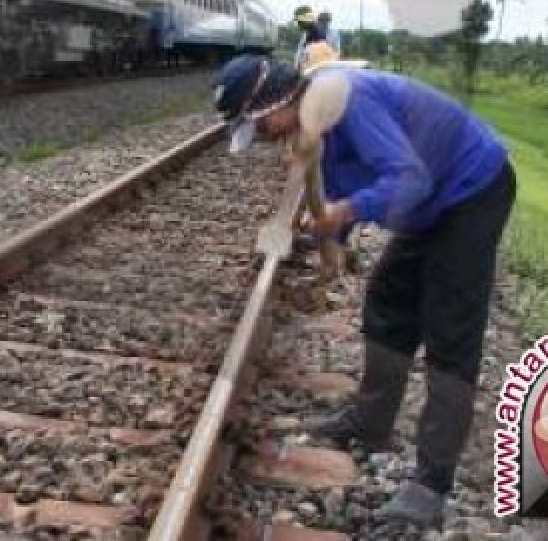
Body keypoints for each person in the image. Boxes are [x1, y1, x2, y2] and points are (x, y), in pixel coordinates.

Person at [211, 55, 516, 531]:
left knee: (449, 335)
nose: (267, 137)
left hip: (468, 192)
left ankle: (430, 486)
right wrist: (333, 243)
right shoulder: (314, 125)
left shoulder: (348, 103)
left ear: (275, 102)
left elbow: (409, 179)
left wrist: (346, 212)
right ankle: (370, 424)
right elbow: (330, 190)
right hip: (426, 207)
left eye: (263, 126)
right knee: (387, 305)